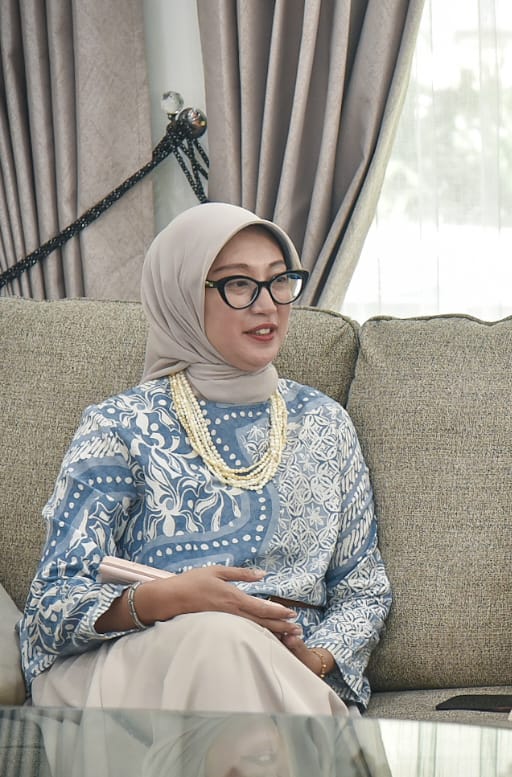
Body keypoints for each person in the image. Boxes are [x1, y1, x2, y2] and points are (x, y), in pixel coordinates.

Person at [18, 202, 392, 715]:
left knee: (233, 649)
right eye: (239, 284)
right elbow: (50, 607)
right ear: (183, 297)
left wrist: (316, 660)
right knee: (218, 638)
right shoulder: (119, 425)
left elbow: (362, 590)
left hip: (283, 673)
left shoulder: (325, 422)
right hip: (143, 661)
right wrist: (174, 598)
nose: (267, 305)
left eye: (279, 281)